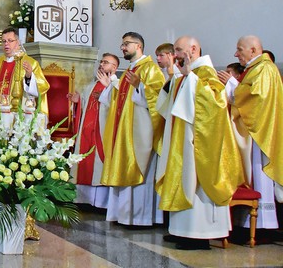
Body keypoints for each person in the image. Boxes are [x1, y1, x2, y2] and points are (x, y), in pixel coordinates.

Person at [156, 36, 244, 250]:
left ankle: (200, 235)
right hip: (181, 139)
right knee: (182, 178)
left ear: (193, 49)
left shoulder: (205, 72)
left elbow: (216, 103)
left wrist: (191, 80)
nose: (175, 54)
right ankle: (182, 231)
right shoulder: (188, 73)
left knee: (195, 182)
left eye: (178, 49)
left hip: (198, 142)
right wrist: (175, 82)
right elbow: (169, 106)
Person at [217, 35, 283, 232]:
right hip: (252, 132)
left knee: (259, 172)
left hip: (260, 134)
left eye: (240, 49)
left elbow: (256, 100)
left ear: (253, 50)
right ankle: (247, 222)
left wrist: (230, 83)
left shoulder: (265, 69)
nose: (236, 54)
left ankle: (262, 224)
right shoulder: (254, 70)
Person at [99, 31, 165, 226]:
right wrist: (112, 86)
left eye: (126, 44)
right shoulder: (132, 68)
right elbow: (121, 101)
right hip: (124, 130)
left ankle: (140, 218)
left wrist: (140, 87)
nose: (122, 47)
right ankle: (122, 215)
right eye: (122, 44)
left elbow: (157, 99)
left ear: (138, 46)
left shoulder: (150, 69)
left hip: (140, 133)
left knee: (137, 170)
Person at [68, 53, 120, 208]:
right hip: (87, 130)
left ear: (115, 67)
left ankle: (101, 203)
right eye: (101, 62)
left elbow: (118, 107)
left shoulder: (117, 84)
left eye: (106, 62)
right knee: (84, 161)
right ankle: (83, 200)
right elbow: (85, 104)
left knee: (99, 164)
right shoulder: (91, 85)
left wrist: (107, 88)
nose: (102, 65)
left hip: (103, 132)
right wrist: (78, 101)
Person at [0, 28, 49, 115]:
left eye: (10, 40)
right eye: (3, 41)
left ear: (18, 42)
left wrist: (29, 76)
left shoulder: (31, 63)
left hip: (19, 115)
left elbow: (42, 88)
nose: (6, 44)